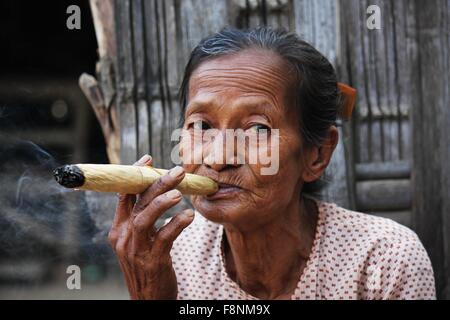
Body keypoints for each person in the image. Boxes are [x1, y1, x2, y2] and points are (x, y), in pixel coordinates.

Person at [107, 27, 436, 300]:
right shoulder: (171, 259)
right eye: (202, 126)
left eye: (257, 129)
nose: (218, 158)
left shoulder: (384, 261)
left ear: (317, 154)